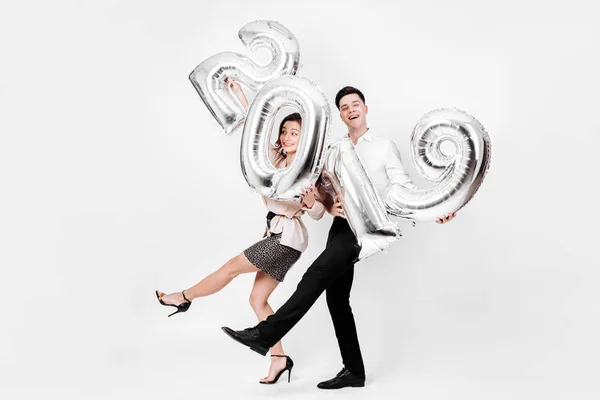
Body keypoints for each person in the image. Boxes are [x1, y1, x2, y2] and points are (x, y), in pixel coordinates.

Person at [222, 86, 456, 389]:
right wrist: (326, 204)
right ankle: (354, 371)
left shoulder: (383, 147)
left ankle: (266, 334)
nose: (350, 110)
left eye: (355, 104)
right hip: (341, 228)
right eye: (344, 107)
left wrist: (434, 210)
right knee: (336, 298)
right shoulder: (333, 149)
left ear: (365, 108)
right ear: (341, 115)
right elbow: (325, 195)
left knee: (315, 275)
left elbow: (403, 187)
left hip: (364, 228)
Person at [156, 78, 325, 384]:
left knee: (232, 268)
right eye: (285, 131)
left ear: (306, 138)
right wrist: (242, 98)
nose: (287, 137)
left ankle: (183, 297)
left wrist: (312, 201)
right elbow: (255, 139)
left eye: (295, 133)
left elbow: (319, 212)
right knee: (257, 301)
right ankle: (279, 358)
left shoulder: (308, 169)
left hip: (288, 238)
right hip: (277, 235)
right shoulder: (274, 162)